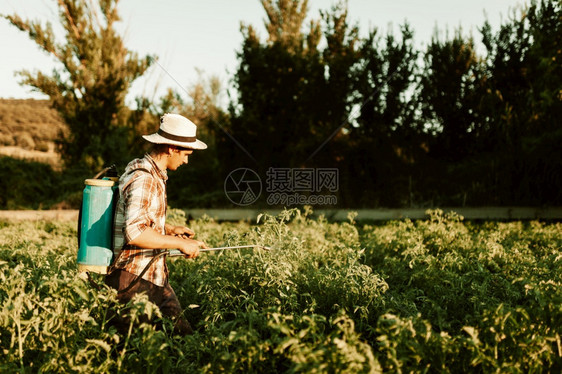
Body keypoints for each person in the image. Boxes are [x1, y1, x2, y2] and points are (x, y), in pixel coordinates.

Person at [105, 113, 208, 336]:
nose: (186, 161)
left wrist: (170, 230)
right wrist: (178, 244)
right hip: (133, 280)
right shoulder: (145, 178)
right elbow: (134, 232)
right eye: (186, 154)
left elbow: (136, 217)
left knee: (184, 341)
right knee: (130, 352)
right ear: (171, 148)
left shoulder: (152, 173)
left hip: (152, 275)